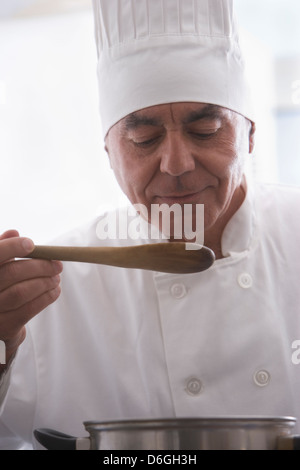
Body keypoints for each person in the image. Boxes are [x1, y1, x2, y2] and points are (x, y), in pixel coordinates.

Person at [0, 0, 300, 450]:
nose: (176, 164)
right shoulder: (52, 288)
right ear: (109, 152)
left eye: (205, 130)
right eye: (144, 139)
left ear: (250, 134)